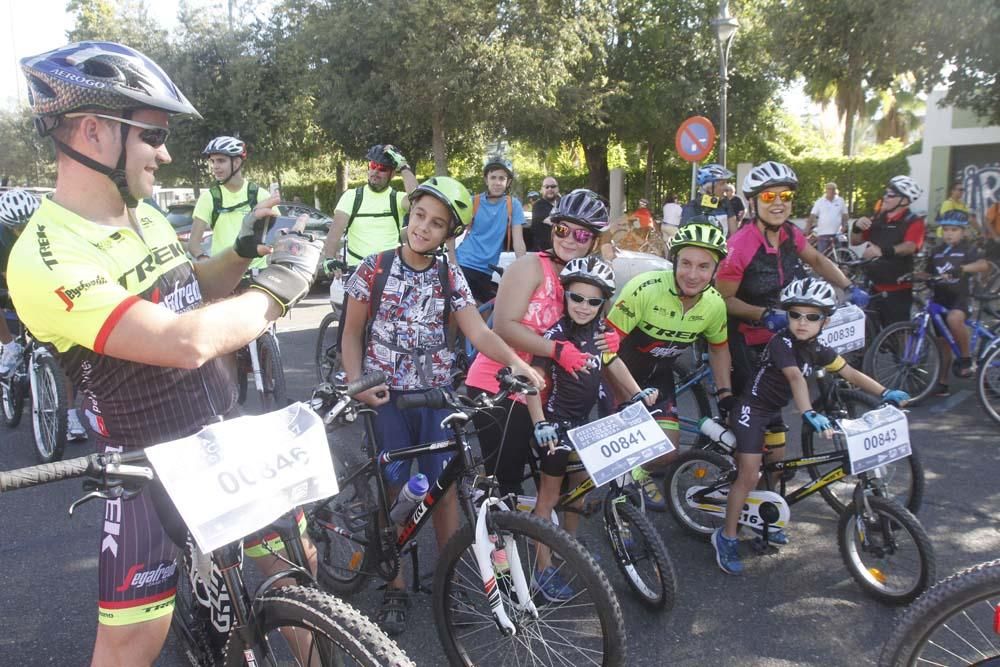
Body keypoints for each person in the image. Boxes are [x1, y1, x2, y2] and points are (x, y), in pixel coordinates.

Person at [9, 42, 324, 665]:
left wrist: (243, 251)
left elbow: (189, 291)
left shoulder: (144, 216)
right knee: (129, 647)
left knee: (296, 574)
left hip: (219, 435)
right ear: (94, 132)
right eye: (152, 135)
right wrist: (280, 288)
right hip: (147, 467)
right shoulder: (47, 255)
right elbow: (183, 342)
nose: (166, 153)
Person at [340, 175, 543, 633]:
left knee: (444, 490)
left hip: (435, 396)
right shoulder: (373, 269)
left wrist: (516, 363)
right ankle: (394, 585)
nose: (424, 228)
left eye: (437, 224)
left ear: (450, 233)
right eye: (419, 216)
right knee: (397, 492)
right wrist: (357, 383)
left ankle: (448, 579)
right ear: (408, 215)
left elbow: (479, 331)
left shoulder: (449, 275)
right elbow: (352, 333)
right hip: (385, 396)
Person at [711, 278, 910, 575]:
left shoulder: (818, 348)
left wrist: (883, 392)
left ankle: (762, 520)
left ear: (825, 321)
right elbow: (794, 378)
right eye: (795, 315)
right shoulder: (782, 342)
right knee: (749, 474)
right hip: (751, 410)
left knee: (777, 471)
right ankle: (726, 537)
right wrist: (807, 412)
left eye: (812, 316)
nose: (802, 322)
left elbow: (850, 372)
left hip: (773, 412)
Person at [467, 188, 614, 497]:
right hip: (501, 382)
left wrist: (610, 338)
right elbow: (504, 326)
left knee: (556, 481)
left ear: (594, 241)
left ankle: (544, 539)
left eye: (582, 235)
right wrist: (557, 350)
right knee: (505, 481)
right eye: (562, 229)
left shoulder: (592, 277)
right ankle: (490, 536)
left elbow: (592, 329)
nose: (570, 239)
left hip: (550, 393)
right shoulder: (529, 267)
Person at [526, 256, 657, 599]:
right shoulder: (555, 335)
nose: (584, 307)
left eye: (594, 301)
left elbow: (615, 366)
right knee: (550, 497)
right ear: (565, 296)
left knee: (578, 494)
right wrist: (540, 423)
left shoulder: (601, 333)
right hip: (557, 427)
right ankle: (542, 569)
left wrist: (637, 392)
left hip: (589, 426)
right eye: (577, 298)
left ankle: (567, 546)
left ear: (604, 303)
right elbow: (533, 383)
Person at [605, 221, 735, 508]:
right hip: (619, 370)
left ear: (715, 270)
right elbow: (606, 345)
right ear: (674, 260)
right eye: (685, 263)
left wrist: (725, 394)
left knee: (665, 453)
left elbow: (719, 348)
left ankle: (634, 475)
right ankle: (617, 499)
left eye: (703, 267)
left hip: (659, 376)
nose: (692, 274)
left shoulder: (714, 304)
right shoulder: (645, 289)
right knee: (624, 444)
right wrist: (628, 393)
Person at [718, 161, 868, 398]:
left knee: (781, 402)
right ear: (752, 202)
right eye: (768, 196)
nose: (778, 203)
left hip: (784, 331)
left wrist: (849, 286)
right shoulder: (740, 245)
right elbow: (724, 299)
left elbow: (817, 260)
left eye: (785, 196)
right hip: (747, 338)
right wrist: (764, 314)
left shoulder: (789, 232)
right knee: (753, 413)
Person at [0, 188, 89, 441]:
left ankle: (70, 413)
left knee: (60, 354)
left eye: (25, 225)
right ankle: (8, 346)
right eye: (14, 228)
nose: (21, 232)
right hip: (9, 286)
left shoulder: (49, 230)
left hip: (41, 287)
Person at [321, 143, 417, 272]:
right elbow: (334, 233)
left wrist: (404, 166)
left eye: (382, 168)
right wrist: (329, 258)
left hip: (390, 271)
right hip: (357, 272)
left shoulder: (397, 199)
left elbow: (417, 201)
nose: (376, 171)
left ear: (393, 173)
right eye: (373, 165)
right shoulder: (352, 196)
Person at [924, 210, 990, 395]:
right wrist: (917, 277)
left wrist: (962, 268)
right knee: (942, 343)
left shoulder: (967, 249)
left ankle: (966, 358)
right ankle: (943, 382)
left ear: (963, 232)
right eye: (945, 229)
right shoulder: (936, 252)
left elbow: (984, 265)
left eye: (954, 229)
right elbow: (928, 272)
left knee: (954, 319)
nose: (949, 233)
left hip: (960, 298)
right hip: (940, 299)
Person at [188, 136, 278, 267]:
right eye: (212, 161)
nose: (215, 167)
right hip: (223, 274)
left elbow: (276, 234)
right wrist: (206, 262)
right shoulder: (209, 197)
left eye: (221, 161)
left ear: (236, 162)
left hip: (256, 274)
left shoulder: (260, 194)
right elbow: (193, 244)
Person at [851, 175, 926, 326]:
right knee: (870, 331)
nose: (885, 197)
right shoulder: (879, 217)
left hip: (897, 288)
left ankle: (903, 350)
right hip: (873, 285)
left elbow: (910, 246)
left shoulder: (914, 221)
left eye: (890, 195)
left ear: (904, 200)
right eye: (885, 193)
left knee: (897, 331)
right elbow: (855, 240)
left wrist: (882, 251)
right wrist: (856, 227)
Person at [455, 155, 527, 302]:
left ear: (508, 182)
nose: (497, 182)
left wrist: (524, 268)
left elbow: (518, 242)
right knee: (460, 310)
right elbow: (454, 231)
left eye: (502, 178)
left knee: (486, 312)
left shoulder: (513, 205)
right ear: (486, 180)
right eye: (493, 177)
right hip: (464, 262)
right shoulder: (473, 202)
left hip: (486, 269)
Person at [681, 163, 736, 236]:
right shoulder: (692, 208)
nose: (726, 187)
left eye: (726, 183)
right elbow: (685, 239)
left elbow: (734, 235)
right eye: (722, 183)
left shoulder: (725, 204)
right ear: (709, 188)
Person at [806, 182, 848, 254]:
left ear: (836, 190)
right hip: (823, 233)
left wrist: (844, 225)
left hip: (837, 233)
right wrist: (807, 228)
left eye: (833, 189)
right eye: (829, 189)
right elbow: (812, 215)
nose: (831, 191)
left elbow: (845, 215)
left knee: (838, 255)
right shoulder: (820, 201)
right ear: (826, 190)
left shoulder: (841, 201)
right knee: (822, 256)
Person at [530, 176, 560, 252]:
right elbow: (553, 222)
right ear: (542, 190)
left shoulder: (562, 205)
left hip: (560, 252)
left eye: (553, 186)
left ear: (557, 189)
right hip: (543, 254)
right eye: (546, 187)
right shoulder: (538, 206)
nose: (550, 189)